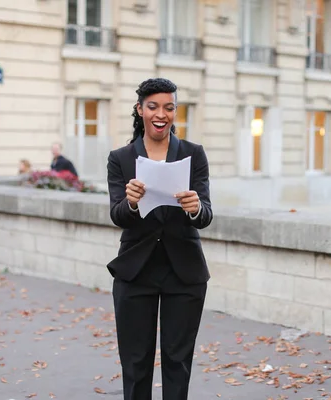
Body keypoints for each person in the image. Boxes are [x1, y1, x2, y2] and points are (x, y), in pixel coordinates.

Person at [106, 78, 212, 400]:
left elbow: (206, 214)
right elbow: (117, 215)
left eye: (169, 107)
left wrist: (195, 208)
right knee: (136, 364)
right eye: (153, 106)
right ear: (140, 110)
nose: (161, 114)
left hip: (184, 271)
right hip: (136, 271)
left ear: (175, 112)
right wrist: (132, 202)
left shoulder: (194, 154)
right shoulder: (121, 158)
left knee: (177, 363)